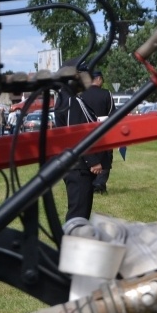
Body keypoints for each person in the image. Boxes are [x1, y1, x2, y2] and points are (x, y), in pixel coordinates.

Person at [54, 62, 104, 222]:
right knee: (78, 214)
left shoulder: (71, 98)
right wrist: (92, 161)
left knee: (81, 211)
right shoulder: (70, 101)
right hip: (79, 166)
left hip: (77, 166)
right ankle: (71, 243)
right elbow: (76, 135)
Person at [80, 70, 115, 195]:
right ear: (99, 79)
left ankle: (90, 183)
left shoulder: (81, 95)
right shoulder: (106, 94)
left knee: (89, 154)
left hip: (86, 132)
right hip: (103, 131)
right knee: (105, 156)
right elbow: (112, 113)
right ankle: (100, 184)